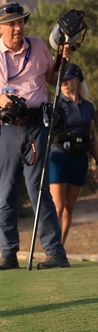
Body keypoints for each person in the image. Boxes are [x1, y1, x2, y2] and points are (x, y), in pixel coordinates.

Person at [0, 2, 72, 270]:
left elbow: (52, 78)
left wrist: (62, 58)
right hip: (4, 129)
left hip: (37, 125)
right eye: (12, 23)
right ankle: (8, 254)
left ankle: (55, 252)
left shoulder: (37, 46)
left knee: (39, 190)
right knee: (7, 192)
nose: (17, 27)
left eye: (21, 22)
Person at [48, 63, 98, 245]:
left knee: (69, 208)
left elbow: (92, 136)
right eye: (62, 80)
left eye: (68, 79)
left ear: (78, 80)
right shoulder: (56, 105)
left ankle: (60, 247)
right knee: (58, 207)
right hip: (59, 157)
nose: (65, 83)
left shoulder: (88, 107)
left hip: (80, 159)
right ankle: (52, 248)